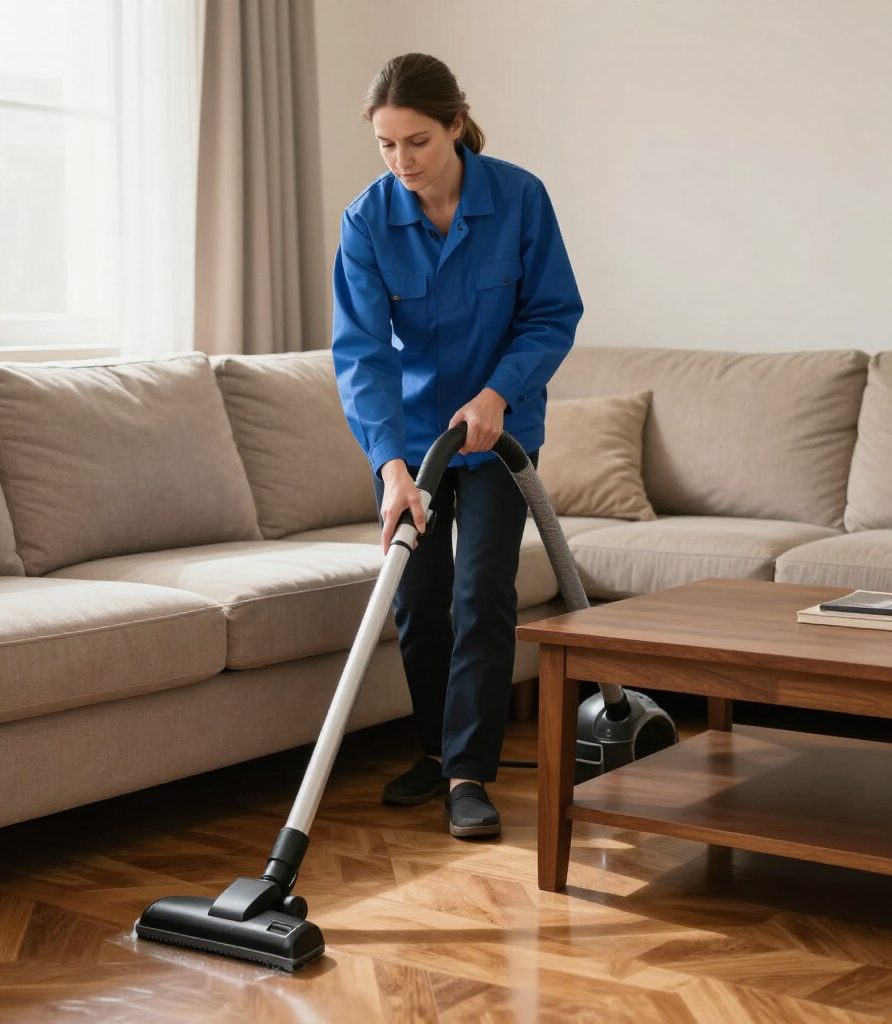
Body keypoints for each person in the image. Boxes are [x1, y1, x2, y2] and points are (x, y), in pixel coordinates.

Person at [331, 53, 583, 839]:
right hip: (413, 440)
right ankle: (438, 754)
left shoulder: (519, 199)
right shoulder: (367, 221)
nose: (402, 163)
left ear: (454, 126)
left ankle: (470, 773)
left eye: (417, 143)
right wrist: (392, 468)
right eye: (385, 146)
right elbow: (362, 352)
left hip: (500, 435)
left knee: (483, 591)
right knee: (415, 593)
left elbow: (552, 314)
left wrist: (497, 392)